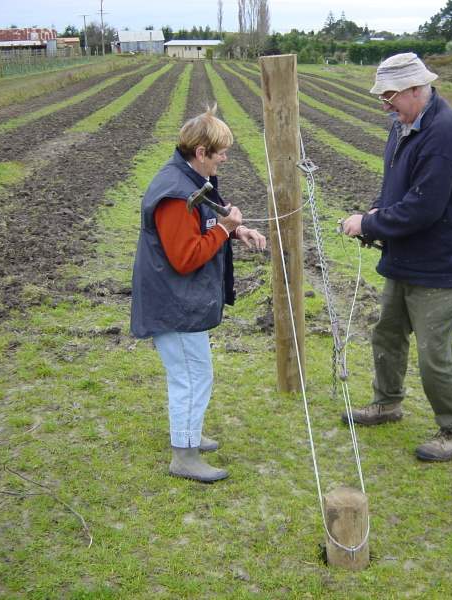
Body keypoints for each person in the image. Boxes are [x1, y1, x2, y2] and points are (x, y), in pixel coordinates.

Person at [340, 53, 452, 462]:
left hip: (438, 261)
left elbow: (424, 207)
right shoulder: (403, 125)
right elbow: (397, 188)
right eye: (382, 96)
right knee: (387, 333)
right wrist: (377, 214)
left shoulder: (444, 133)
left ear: (417, 89)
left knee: (434, 352)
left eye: (390, 96)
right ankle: (387, 403)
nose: (385, 105)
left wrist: (369, 224)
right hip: (405, 255)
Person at [130, 106, 266, 482]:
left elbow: (205, 221)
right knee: (191, 375)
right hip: (175, 302)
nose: (225, 158)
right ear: (201, 152)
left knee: (193, 372)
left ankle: (188, 435)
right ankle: (184, 455)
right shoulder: (175, 194)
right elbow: (186, 257)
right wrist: (224, 230)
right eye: (221, 151)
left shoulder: (187, 179)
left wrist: (237, 231)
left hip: (179, 297)